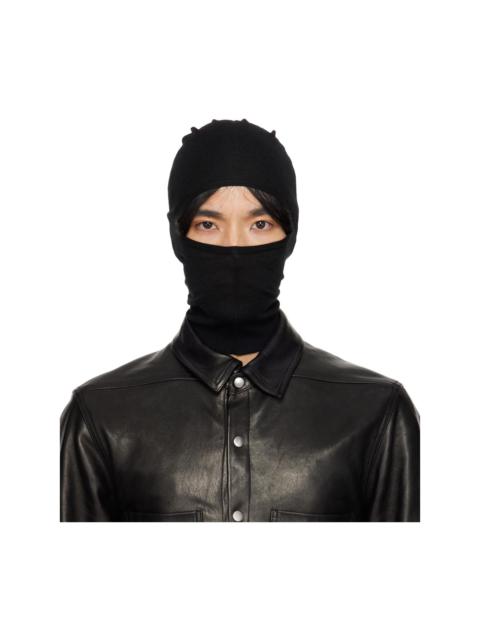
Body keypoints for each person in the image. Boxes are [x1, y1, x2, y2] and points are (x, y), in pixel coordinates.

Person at [60, 118, 420, 522]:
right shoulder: (101, 418)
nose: (234, 246)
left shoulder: (376, 414)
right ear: (178, 237)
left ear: (290, 235)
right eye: (208, 224)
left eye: (260, 224)